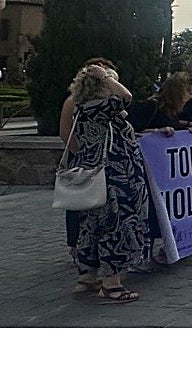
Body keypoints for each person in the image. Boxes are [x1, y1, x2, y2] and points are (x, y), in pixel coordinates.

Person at [67, 62, 149, 303]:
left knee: (92, 227)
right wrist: (106, 77)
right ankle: (112, 284)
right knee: (115, 227)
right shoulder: (99, 108)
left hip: (97, 176)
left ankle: (87, 278)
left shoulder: (84, 108)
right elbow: (126, 96)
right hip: (114, 178)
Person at [127, 71, 192, 270]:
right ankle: (141, 256)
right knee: (147, 211)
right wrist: (155, 133)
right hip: (145, 169)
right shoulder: (151, 106)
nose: (189, 98)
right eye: (188, 93)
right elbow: (130, 131)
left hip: (163, 172)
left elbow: (173, 125)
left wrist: (188, 127)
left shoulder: (171, 111)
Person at [58, 56, 120, 270]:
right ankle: (76, 245)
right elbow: (66, 132)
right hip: (85, 158)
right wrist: (84, 155)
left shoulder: (107, 102)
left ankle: (93, 249)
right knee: (78, 201)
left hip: (101, 160)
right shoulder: (73, 101)